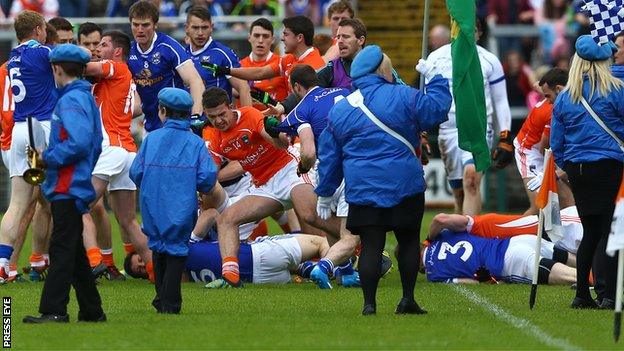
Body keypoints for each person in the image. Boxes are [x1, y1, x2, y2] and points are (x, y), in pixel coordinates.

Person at [315, 45, 452, 315]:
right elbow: (436, 111)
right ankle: (407, 299)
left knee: (371, 244)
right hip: (405, 184)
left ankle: (369, 304)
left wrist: (325, 192)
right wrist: (436, 78)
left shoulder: (341, 109)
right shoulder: (404, 95)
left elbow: (330, 156)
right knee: (409, 240)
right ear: (382, 69)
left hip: (364, 188)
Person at [201, 87, 341, 288]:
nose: (219, 120)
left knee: (310, 215)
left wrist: (277, 133)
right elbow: (210, 173)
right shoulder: (214, 137)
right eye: (212, 117)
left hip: (289, 171)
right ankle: (230, 277)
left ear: (231, 107)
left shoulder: (249, 115)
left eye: (222, 114)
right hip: (263, 185)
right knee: (227, 219)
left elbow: (278, 143)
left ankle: (353, 239)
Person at [23, 44, 105, 324]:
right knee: (74, 252)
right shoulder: (84, 98)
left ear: (57, 69)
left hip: (66, 185)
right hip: (75, 183)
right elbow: (94, 144)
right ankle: (92, 311)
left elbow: (79, 142)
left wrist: (48, 157)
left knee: (60, 249)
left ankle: (53, 310)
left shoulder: (69, 101)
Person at [550, 35, 624, 310]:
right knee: (610, 231)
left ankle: (582, 294)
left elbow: (557, 142)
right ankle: (609, 295)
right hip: (609, 166)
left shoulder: (565, 97)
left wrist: (567, 166)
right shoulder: (615, 89)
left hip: (578, 170)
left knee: (590, 232)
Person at [130, 87, 218, 314]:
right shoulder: (195, 143)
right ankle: (170, 302)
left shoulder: (151, 140)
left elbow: (135, 172)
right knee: (176, 252)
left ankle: (161, 297)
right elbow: (207, 178)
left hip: (151, 204)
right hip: (181, 205)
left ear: (162, 111)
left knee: (158, 248)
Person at [266, 64, 352, 289]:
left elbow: (308, 152)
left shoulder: (301, 109)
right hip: (354, 166)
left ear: (295, 87)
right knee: (354, 233)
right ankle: (325, 267)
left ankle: (346, 272)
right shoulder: (345, 91)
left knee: (331, 220)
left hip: (327, 172)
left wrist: (304, 167)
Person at [83, 30, 154, 281]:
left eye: (103, 45)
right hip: (127, 152)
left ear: (117, 52)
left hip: (112, 150)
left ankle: (94, 261)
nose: (97, 49)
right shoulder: (120, 78)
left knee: (78, 205)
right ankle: (159, 274)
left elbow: (83, 66)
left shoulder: (115, 67)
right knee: (127, 220)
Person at [423, 23, 513, 215]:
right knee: (459, 194)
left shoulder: (489, 60)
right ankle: (460, 233)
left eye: (470, 30)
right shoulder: (436, 58)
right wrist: (422, 132)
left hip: (478, 129)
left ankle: (471, 238)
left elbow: (500, 101)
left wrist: (505, 136)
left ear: (478, 33)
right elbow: (427, 100)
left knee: (471, 180)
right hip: (448, 130)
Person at [0, 10, 55, 282]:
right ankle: (63, 260)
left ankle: (3, 263)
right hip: (39, 127)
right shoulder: (41, 53)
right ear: (37, 30)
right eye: (44, 28)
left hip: (20, 130)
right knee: (59, 196)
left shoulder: (12, 59)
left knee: (18, 204)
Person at [124, 233, 353, 286]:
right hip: (255, 255)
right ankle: (338, 272)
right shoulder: (181, 248)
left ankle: (308, 270)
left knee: (295, 270)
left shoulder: (181, 277)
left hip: (260, 280)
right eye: (142, 269)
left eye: (140, 261)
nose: (144, 264)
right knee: (320, 242)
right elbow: (213, 214)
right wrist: (194, 235)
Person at [127, 0, 205, 132]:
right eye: (136, 25)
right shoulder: (129, 51)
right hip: (150, 125)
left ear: (155, 25)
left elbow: (195, 80)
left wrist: (196, 115)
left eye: (145, 25)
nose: (140, 30)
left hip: (176, 123)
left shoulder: (168, 47)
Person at [203, 15, 326, 94]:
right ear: (249, 37)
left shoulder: (314, 66)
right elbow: (260, 72)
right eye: (256, 35)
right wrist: (226, 70)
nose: (282, 38)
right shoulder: (289, 58)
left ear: (299, 38)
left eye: (286, 34)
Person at [274, 18, 367, 116]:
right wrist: (282, 107)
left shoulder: (379, 65)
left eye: (346, 37)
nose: (339, 41)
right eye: (338, 37)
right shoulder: (332, 69)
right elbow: (307, 87)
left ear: (360, 40)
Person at [513, 68, 574, 215]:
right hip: (529, 151)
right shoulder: (552, 110)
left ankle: (570, 237)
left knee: (569, 202)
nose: (547, 99)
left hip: (543, 150)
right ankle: (511, 236)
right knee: (538, 208)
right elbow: (544, 148)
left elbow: (537, 85)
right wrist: (558, 171)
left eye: (548, 95)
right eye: (545, 96)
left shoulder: (562, 98)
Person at [422, 230, 576, 285]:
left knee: (569, 276)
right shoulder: (443, 234)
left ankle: (590, 281)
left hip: (507, 261)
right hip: (515, 240)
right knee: (568, 258)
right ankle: (598, 271)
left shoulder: (434, 274)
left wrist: (492, 283)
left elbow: (466, 281)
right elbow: (442, 219)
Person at [428, 206, 583, 254]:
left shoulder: (475, 225)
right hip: (546, 236)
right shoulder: (477, 243)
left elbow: (440, 219)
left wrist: (429, 240)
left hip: (547, 227)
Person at [184, 6, 252, 108]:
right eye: (195, 28)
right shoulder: (182, 54)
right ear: (187, 28)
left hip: (215, 120)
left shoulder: (223, 54)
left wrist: (247, 121)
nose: (200, 33)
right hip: (188, 119)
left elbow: (243, 88)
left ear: (211, 27)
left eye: (204, 27)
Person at [239, 18, 289, 111]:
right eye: (256, 36)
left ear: (273, 39)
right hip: (249, 122)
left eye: (265, 36)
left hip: (277, 122)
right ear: (249, 38)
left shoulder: (283, 64)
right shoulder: (238, 67)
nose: (261, 40)